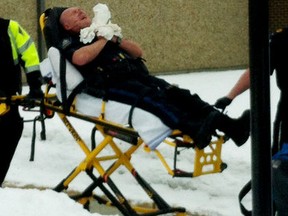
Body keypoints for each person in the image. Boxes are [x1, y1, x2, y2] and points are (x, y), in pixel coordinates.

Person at [45, 6, 251, 150]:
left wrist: (115, 37)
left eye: (80, 9)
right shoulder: (71, 42)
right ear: (67, 27)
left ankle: (231, 126)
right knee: (152, 99)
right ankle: (195, 129)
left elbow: (137, 51)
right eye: (73, 13)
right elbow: (80, 59)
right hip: (109, 84)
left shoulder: (100, 32)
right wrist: (103, 40)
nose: (80, 11)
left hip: (136, 75)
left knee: (178, 93)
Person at [0, 17, 43, 186]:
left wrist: (35, 86)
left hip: (8, 102)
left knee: (12, 129)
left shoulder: (10, 27)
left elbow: (30, 55)